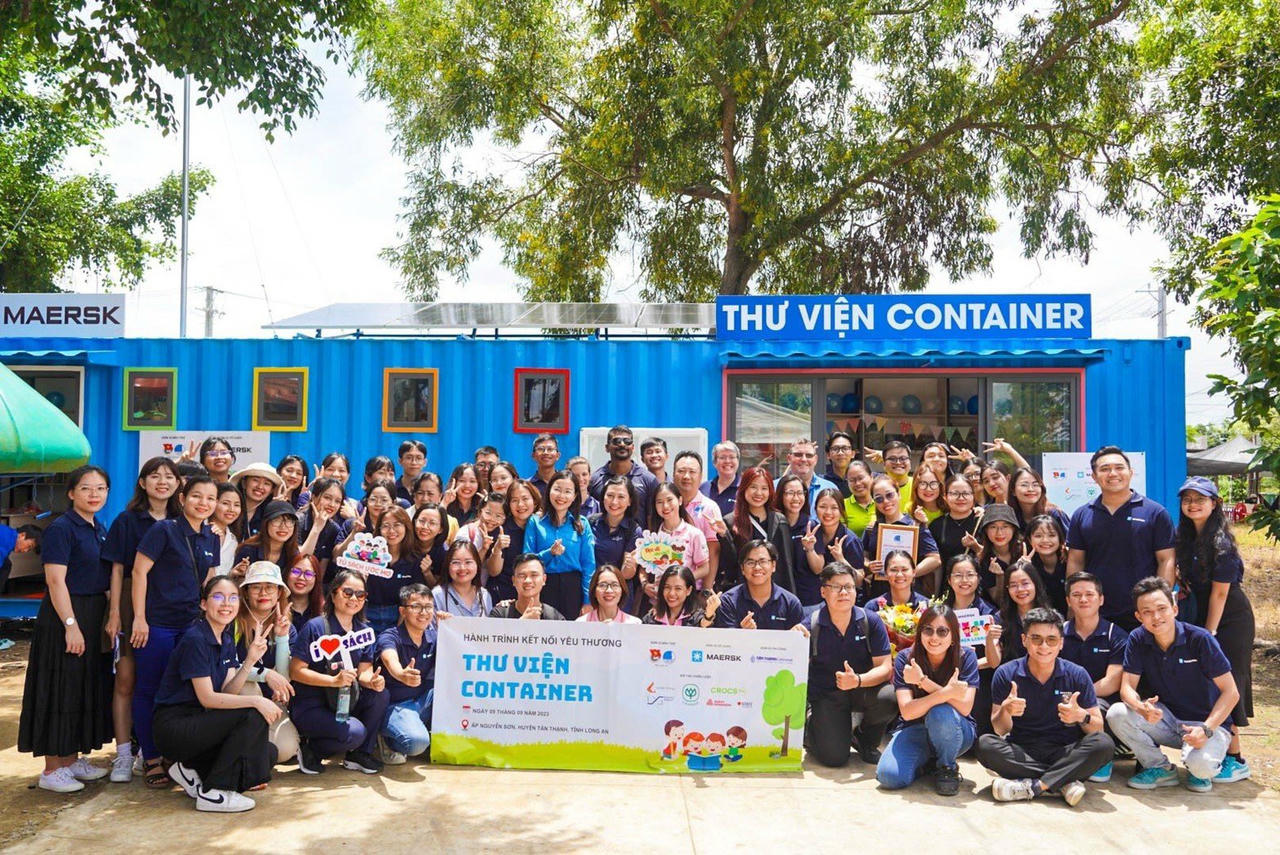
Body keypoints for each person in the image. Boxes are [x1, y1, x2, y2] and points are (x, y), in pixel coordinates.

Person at [17, 465, 113, 793]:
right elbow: (56, 581)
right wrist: (70, 625)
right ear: (71, 493)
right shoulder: (61, 528)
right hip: (66, 615)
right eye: (86, 488)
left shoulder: (98, 527)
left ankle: (71, 759)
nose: (94, 494)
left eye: (100, 488)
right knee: (60, 687)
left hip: (93, 613)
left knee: (81, 686)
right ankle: (52, 768)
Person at [151, 575, 278, 812]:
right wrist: (256, 701)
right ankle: (214, 792)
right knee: (252, 714)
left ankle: (190, 769)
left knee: (268, 753)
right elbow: (208, 698)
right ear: (203, 603)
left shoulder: (226, 639)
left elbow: (227, 691)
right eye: (218, 597)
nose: (226, 604)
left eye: (233, 598)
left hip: (202, 724)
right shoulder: (195, 639)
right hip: (175, 727)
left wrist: (249, 661)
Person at [1107, 577, 1246, 791]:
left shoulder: (1200, 639)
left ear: (1174, 609)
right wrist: (1141, 708)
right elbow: (1127, 687)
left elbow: (1231, 692)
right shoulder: (1137, 638)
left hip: (1206, 724)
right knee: (1117, 713)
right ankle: (1160, 768)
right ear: (1138, 617)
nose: (1156, 617)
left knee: (1201, 769)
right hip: (1168, 720)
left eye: (1162, 609)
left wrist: (1206, 729)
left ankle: (1205, 765)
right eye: (1147, 612)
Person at [130, 474, 221, 788]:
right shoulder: (163, 530)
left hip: (192, 627)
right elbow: (139, 572)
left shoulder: (211, 537)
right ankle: (151, 758)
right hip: (158, 625)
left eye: (210, 498)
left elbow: (209, 582)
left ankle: (176, 754)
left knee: (186, 692)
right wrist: (139, 618)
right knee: (150, 689)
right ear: (182, 499)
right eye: (196, 496)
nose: (203, 503)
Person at [977, 607, 1113, 807]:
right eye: (1036, 639)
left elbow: (1097, 728)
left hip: (1065, 750)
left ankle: (1034, 786)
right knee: (985, 745)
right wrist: (1006, 710)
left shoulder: (1077, 674)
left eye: (1051, 640)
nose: (1044, 646)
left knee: (1103, 743)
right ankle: (1063, 781)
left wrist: (1081, 716)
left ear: (1061, 643)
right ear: (1024, 640)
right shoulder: (1006, 673)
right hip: (1022, 750)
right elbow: (1000, 729)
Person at [101, 456, 180, 782]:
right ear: (143, 483)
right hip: (130, 607)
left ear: (178, 483)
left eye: (169, 476)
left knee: (164, 681)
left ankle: (157, 750)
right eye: (155, 476)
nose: (162, 482)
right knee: (126, 679)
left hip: (168, 608)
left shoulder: (182, 519)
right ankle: (123, 753)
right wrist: (115, 613)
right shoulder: (127, 520)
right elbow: (117, 568)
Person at [289, 569, 390, 775]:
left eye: (360, 594)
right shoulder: (315, 627)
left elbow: (364, 672)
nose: (354, 599)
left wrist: (372, 681)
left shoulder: (364, 631)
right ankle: (312, 750)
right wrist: (333, 681)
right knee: (355, 733)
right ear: (333, 594)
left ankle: (360, 755)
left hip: (345, 700)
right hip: (312, 705)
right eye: (347, 592)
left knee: (381, 694)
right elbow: (296, 671)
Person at [1175, 476, 1254, 733]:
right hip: (1200, 613)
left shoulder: (1222, 543)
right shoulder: (1184, 538)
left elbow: (1219, 594)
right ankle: (1216, 744)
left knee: (1227, 680)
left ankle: (1234, 750)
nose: (1193, 504)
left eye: (1200, 499)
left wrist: (1209, 633)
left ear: (1215, 503)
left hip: (1229, 619)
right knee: (1204, 682)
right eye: (1187, 499)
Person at [1066, 446, 1176, 631]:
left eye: (1119, 467)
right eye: (1105, 469)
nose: (1113, 473)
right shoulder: (1082, 515)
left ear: (1131, 473)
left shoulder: (1155, 513)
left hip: (1142, 613)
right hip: (1095, 613)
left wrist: (1158, 603)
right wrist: (1074, 606)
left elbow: (1166, 560)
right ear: (1094, 477)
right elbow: (1076, 561)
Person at [876, 604, 980, 795]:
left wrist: (923, 681)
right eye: (928, 630)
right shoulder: (906, 659)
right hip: (916, 729)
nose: (934, 637)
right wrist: (947, 693)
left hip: (955, 731)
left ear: (953, 636)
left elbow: (965, 708)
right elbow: (908, 712)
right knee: (888, 777)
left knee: (940, 712)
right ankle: (928, 765)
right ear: (920, 632)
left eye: (942, 631)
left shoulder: (966, 657)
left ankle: (947, 767)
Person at [805, 564, 895, 767]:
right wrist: (794, 639)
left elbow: (885, 668)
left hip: (861, 689)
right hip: (827, 695)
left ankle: (865, 740)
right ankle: (812, 725)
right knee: (834, 759)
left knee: (889, 697)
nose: (844, 592)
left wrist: (858, 681)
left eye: (849, 587)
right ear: (823, 591)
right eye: (836, 587)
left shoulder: (870, 621)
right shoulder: (811, 623)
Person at [1061, 572, 1128, 784]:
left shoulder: (1116, 635)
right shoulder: (1058, 634)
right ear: (1068, 601)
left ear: (1101, 599)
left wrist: (1079, 699)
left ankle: (1102, 757)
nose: (1083, 599)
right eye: (1076, 595)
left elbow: (1111, 682)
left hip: (1101, 701)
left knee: (1097, 708)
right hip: (1063, 698)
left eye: (1089, 594)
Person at [233, 562, 299, 766]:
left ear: (279, 593)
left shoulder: (287, 626)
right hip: (238, 698)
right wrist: (265, 674)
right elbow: (227, 669)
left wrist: (281, 637)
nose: (263, 593)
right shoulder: (233, 622)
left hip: (272, 702)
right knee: (247, 685)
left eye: (270, 587)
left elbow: (284, 677)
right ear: (246, 592)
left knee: (285, 750)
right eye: (256, 587)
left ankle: (254, 750)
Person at [376, 584, 437, 764]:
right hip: (396, 705)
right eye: (416, 606)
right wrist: (401, 674)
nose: (423, 612)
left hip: (423, 701)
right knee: (417, 743)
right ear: (402, 611)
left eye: (428, 607)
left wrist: (451, 627)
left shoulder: (434, 637)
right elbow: (390, 659)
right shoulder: (390, 636)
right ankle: (388, 740)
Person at [941, 554, 1001, 735]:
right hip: (943, 676)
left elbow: (994, 662)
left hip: (979, 679)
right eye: (958, 575)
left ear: (978, 578)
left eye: (970, 575)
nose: (964, 580)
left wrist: (969, 663)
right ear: (949, 580)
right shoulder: (940, 611)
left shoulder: (990, 613)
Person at [524, 470, 595, 617]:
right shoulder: (535, 522)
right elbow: (527, 560)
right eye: (557, 489)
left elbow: (588, 565)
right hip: (543, 585)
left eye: (567, 491)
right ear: (549, 490)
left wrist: (587, 600)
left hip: (572, 588)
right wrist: (549, 553)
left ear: (574, 496)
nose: (561, 496)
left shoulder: (582, 524)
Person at [861, 474, 941, 600]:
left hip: (911, 595)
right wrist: (869, 565)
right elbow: (863, 556)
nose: (886, 501)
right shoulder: (872, 528)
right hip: (880, 595)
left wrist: (908, 574)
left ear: (899, 494)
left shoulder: (915, 525)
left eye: (890, 495)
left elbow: (934, 559)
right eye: (879, 499)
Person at [722, 468, 793, 593]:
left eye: (764, 488)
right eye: (753, 487)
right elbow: (730, 565)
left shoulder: (779, 521)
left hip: (773, 593)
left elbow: (786, 565)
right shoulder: (731, 522)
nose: (759, 493)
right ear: (744, 489)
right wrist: (724, 535)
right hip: (743, 592)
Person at [713, 540, 805, 631]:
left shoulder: (790, 603)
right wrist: (742, 633)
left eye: (763, 561)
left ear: (773, 565)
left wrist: (798, 633)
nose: (757, 567)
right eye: (750, 563)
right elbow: (725, 639)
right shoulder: (728, 602)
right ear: (742, 568)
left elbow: (799, 638)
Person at [798, 488, 864, 612]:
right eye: (823, 507)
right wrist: (809, 548)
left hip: (842, 603)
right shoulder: (811, 532)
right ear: (815, 509)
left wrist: (841, 559)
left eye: (834, 508)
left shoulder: (850, 540)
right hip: (813, 600)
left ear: (841, 511)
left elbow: (859, 580)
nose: (828, 512)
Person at [364, 506, 425, 633]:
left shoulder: (415, 560)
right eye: (385, 526)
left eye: (397, 525)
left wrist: (400, 630)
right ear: (379, 529)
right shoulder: (368, 555)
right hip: (367, 615)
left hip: (400, 616)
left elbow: (414, 597)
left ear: (406, 527)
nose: (391, 531)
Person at [642, 481, 710, 589]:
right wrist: (644, 584)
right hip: (659, 596)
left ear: (680, 500)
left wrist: (682, 581)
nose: (665, 506)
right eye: (659, 502)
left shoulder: (694, 534)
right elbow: (643, 566)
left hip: (686, 595)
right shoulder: (653, 535)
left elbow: (705, 568)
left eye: (669, 500)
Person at [588, 425, 661, 525]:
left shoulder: (648, 480)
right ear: (607, 447)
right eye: (617, 441)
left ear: (633, 447)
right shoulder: (595, 479)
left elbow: (653, 517)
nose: (622, 444)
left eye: (627, 441)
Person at [588, 476, 642, 612]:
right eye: (610, 495)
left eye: (621, 497)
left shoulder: (634, 530)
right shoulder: (590, 522)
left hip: (619, 596)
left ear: (630, 501)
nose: (614, 502)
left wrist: (630, 565)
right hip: (591, 592)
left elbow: (627, 574)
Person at [672, 451, 725, 583]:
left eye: (692, 472)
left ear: (701, 476)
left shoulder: (709, 507)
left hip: (696, 586)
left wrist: (706, 589)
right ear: (673, 475)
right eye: (681, 471)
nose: (686, 476)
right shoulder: (666, 505)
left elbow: (713, 551)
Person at [995, 560, 1052, 664]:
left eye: (1025, 583)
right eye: (1013, 585)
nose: (1020, 589)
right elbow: (995, 660)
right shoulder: (1001, 618)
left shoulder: (1051, 618)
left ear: (1035, 584)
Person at [453, 491, 508, 591]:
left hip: (480, 593)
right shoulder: (466, 533)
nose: (492, 519)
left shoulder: (499, 535)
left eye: (499, 516)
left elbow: (494, 572)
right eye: (488, 513)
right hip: (461, 590)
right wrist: (484, 549)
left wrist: (497, 549)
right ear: (479, 511)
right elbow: (462, 567)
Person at [495, 483, 540, 604]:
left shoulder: (543, 526)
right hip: (506, 596)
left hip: (537, 595)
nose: (520, 504)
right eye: (514, 500)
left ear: (535, 501)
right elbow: (494, 571)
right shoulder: (502, 529)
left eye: (525, 499)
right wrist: (497, 549)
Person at [488, 555, 567, 620]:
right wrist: (523, 622)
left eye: (534, 575)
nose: (528, 580)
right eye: (522, 576)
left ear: (544, 579)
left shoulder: (554, 617)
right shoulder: (499, 615)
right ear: (513, 580)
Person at [234, 500, 301, 575]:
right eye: (276, 520)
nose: (283, 526)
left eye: (289, 521)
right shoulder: (248, 550)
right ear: (266, 524)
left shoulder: (293, 553)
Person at [974, 503, 1023, 601]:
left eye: (1005, 526)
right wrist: (999, 576)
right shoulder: (983, 560)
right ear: (986, 530)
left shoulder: (1025, 551)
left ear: (1013, 529)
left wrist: (1028, 568)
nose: (999, 533)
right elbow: (998, 601)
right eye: (993, 527)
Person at [930, 473, 981, 568]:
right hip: (948, 577)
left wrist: (976, 547)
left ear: (973, 495)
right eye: (955, 493)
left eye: (966, 493)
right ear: (945, 496)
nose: (961, 498)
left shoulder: (983, 521)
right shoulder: (937, 526)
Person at [433, 541, 495, 618]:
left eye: (468, 562)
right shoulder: (437, 595)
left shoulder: (484, 595)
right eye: (456, 562)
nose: (462, 568)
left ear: (477, 565)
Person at [297, 477, 343, 579]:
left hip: (311, 580)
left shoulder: (333, 529)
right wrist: (316, 528)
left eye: (337, 501)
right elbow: (299, 559)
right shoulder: (298, 520)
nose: (332, 505)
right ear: (313, 497)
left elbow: (322, 567)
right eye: (327, 498)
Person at [642, 566, 718, 627]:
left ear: (688, 590)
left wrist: (709, 614)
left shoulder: (696, 616)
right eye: (667, 587)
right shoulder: (651, 618)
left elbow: (703, 625)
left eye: (678, 588)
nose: (671, 593)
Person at [777, 438, 837, 515]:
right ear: (789, 458)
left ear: (815, 459)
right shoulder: (774, 488)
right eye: (798, 455)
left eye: (809, 455)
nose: (804, 459)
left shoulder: (830, 488)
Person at [1026, 513, 1068, 616]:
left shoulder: (1070, 562)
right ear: (1030, 540)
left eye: (1051, 535)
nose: (1045, 540)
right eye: (1038, 536)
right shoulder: (1027, 565)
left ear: (1060, 538)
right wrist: (1023, 571)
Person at [1009, 467, 1070, 535]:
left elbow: (1071, 540)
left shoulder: (1054, 515)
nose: (1030, 489)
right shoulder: (1010, 517)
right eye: (1024, 485)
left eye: (1035, 485)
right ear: (1013, 490)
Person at [230, 462, 284, 539]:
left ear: (272, 490)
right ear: (244, 483)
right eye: (255, 480)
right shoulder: (230, 508)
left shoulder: (269, 515)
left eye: (267, 483)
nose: (260, 486)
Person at [865, 550, 929, 614]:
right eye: (894, 570)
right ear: (886, 573)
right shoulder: (873, 608)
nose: (899, 575)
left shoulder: (926, 606)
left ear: (913, 572)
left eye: (904, 570)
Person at [577, 565, 641, 624]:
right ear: (594, 592)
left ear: (622, 591)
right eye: (602, 585)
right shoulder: (581, 623)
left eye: (614, 585)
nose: (609, 590)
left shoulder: (634, 624)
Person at [412, 503, 450, 589]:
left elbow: (439, 590)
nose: (425, 527)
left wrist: (427, 572)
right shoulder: (405, 544)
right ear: (415, 521)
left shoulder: (443, 553)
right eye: (422, 521)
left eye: (432, 523)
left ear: (441, 529)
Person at [699, 440, 741, 518]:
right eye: (722, 457)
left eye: (732, 457)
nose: (727, 461)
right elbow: (696, 512)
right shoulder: (703, 488)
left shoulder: (744, 489)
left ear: (738, 461)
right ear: (714, 462)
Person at [285, 554, 325, 633]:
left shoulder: (324, 611)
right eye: (296, 571)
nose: (301, 577)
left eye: (308, 574)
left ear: (316, 579)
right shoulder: (275, 609)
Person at [211, 483, 244, 573]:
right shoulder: (199, 530)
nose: (231, 509)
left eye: (237, 505)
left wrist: (232, 574)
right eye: (225, 503)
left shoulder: (233, 540)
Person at [841, 460, 876, 537]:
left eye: (861, 478)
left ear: (871, 477)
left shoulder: (881, 503)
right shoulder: (842, 506)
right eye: (852, 480)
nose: (857, 483)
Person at [879, 441, 915, 513]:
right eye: (892, 459)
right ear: (884, 464)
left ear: (910, 463)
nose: (898, 462)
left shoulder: (919, 485)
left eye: (903, 458)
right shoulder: (876, 488)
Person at [528, 433, 561, 503]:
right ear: (533, 455)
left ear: (558, 455)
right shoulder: (528, 486)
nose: (545, 453)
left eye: (550, 449)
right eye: (541, 449)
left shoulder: (565, 483)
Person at [823, 431, 856, 499]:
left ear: (853, 454)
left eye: (845, 448)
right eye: (835, 449)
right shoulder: (822, 481)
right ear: (828, 455)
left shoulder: (861, 480)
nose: (840, 453)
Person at [395, 440, 428, 505]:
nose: (414, 462)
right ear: (400, 461)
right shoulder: (393, 489)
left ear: (425, 462)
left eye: (418, 458)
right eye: (409, 458)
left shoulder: (429, 490)